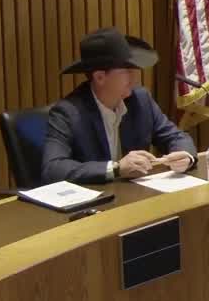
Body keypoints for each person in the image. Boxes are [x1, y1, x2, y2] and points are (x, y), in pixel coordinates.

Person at [42, 28, 197, 184]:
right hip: (96, 196)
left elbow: (176, 137)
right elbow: (53, 168)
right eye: (127, 71)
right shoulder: (68, 113)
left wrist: (185, 156)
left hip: (135, 193)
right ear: (100, 77)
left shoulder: (140, 100)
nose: (135, 77)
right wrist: (115, 169)